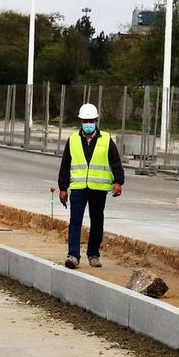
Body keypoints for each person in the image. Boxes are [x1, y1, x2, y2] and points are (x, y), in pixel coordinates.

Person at [56, 103, 123, 269]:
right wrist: (63, 188)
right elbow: (65, 165)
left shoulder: (106, 140)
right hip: (78, 187)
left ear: (96, 120)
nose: (88, 123)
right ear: (80, 121)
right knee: (75, 221)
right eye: (85, 120)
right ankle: (73, 255)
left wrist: (118, 182)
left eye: (91, 120)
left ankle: (93, 254)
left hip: (98, 189)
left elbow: (116, 162)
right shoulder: (72, 140)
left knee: (97, 221)